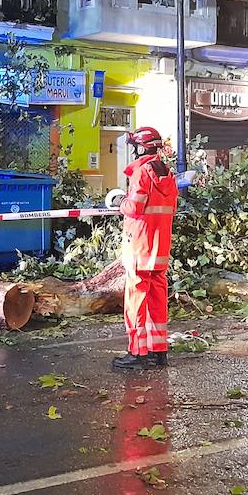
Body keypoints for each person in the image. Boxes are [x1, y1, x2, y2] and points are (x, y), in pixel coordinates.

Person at [112, 126, 178, 372]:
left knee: (136, 299)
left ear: (141, 147)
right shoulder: (168, 174)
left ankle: (137, 353)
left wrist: (120, 202)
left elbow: (135, 207)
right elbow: (171, 208)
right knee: (157, 298)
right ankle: (158, 351)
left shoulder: (142, 173)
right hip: (160, 248)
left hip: (140, 246)